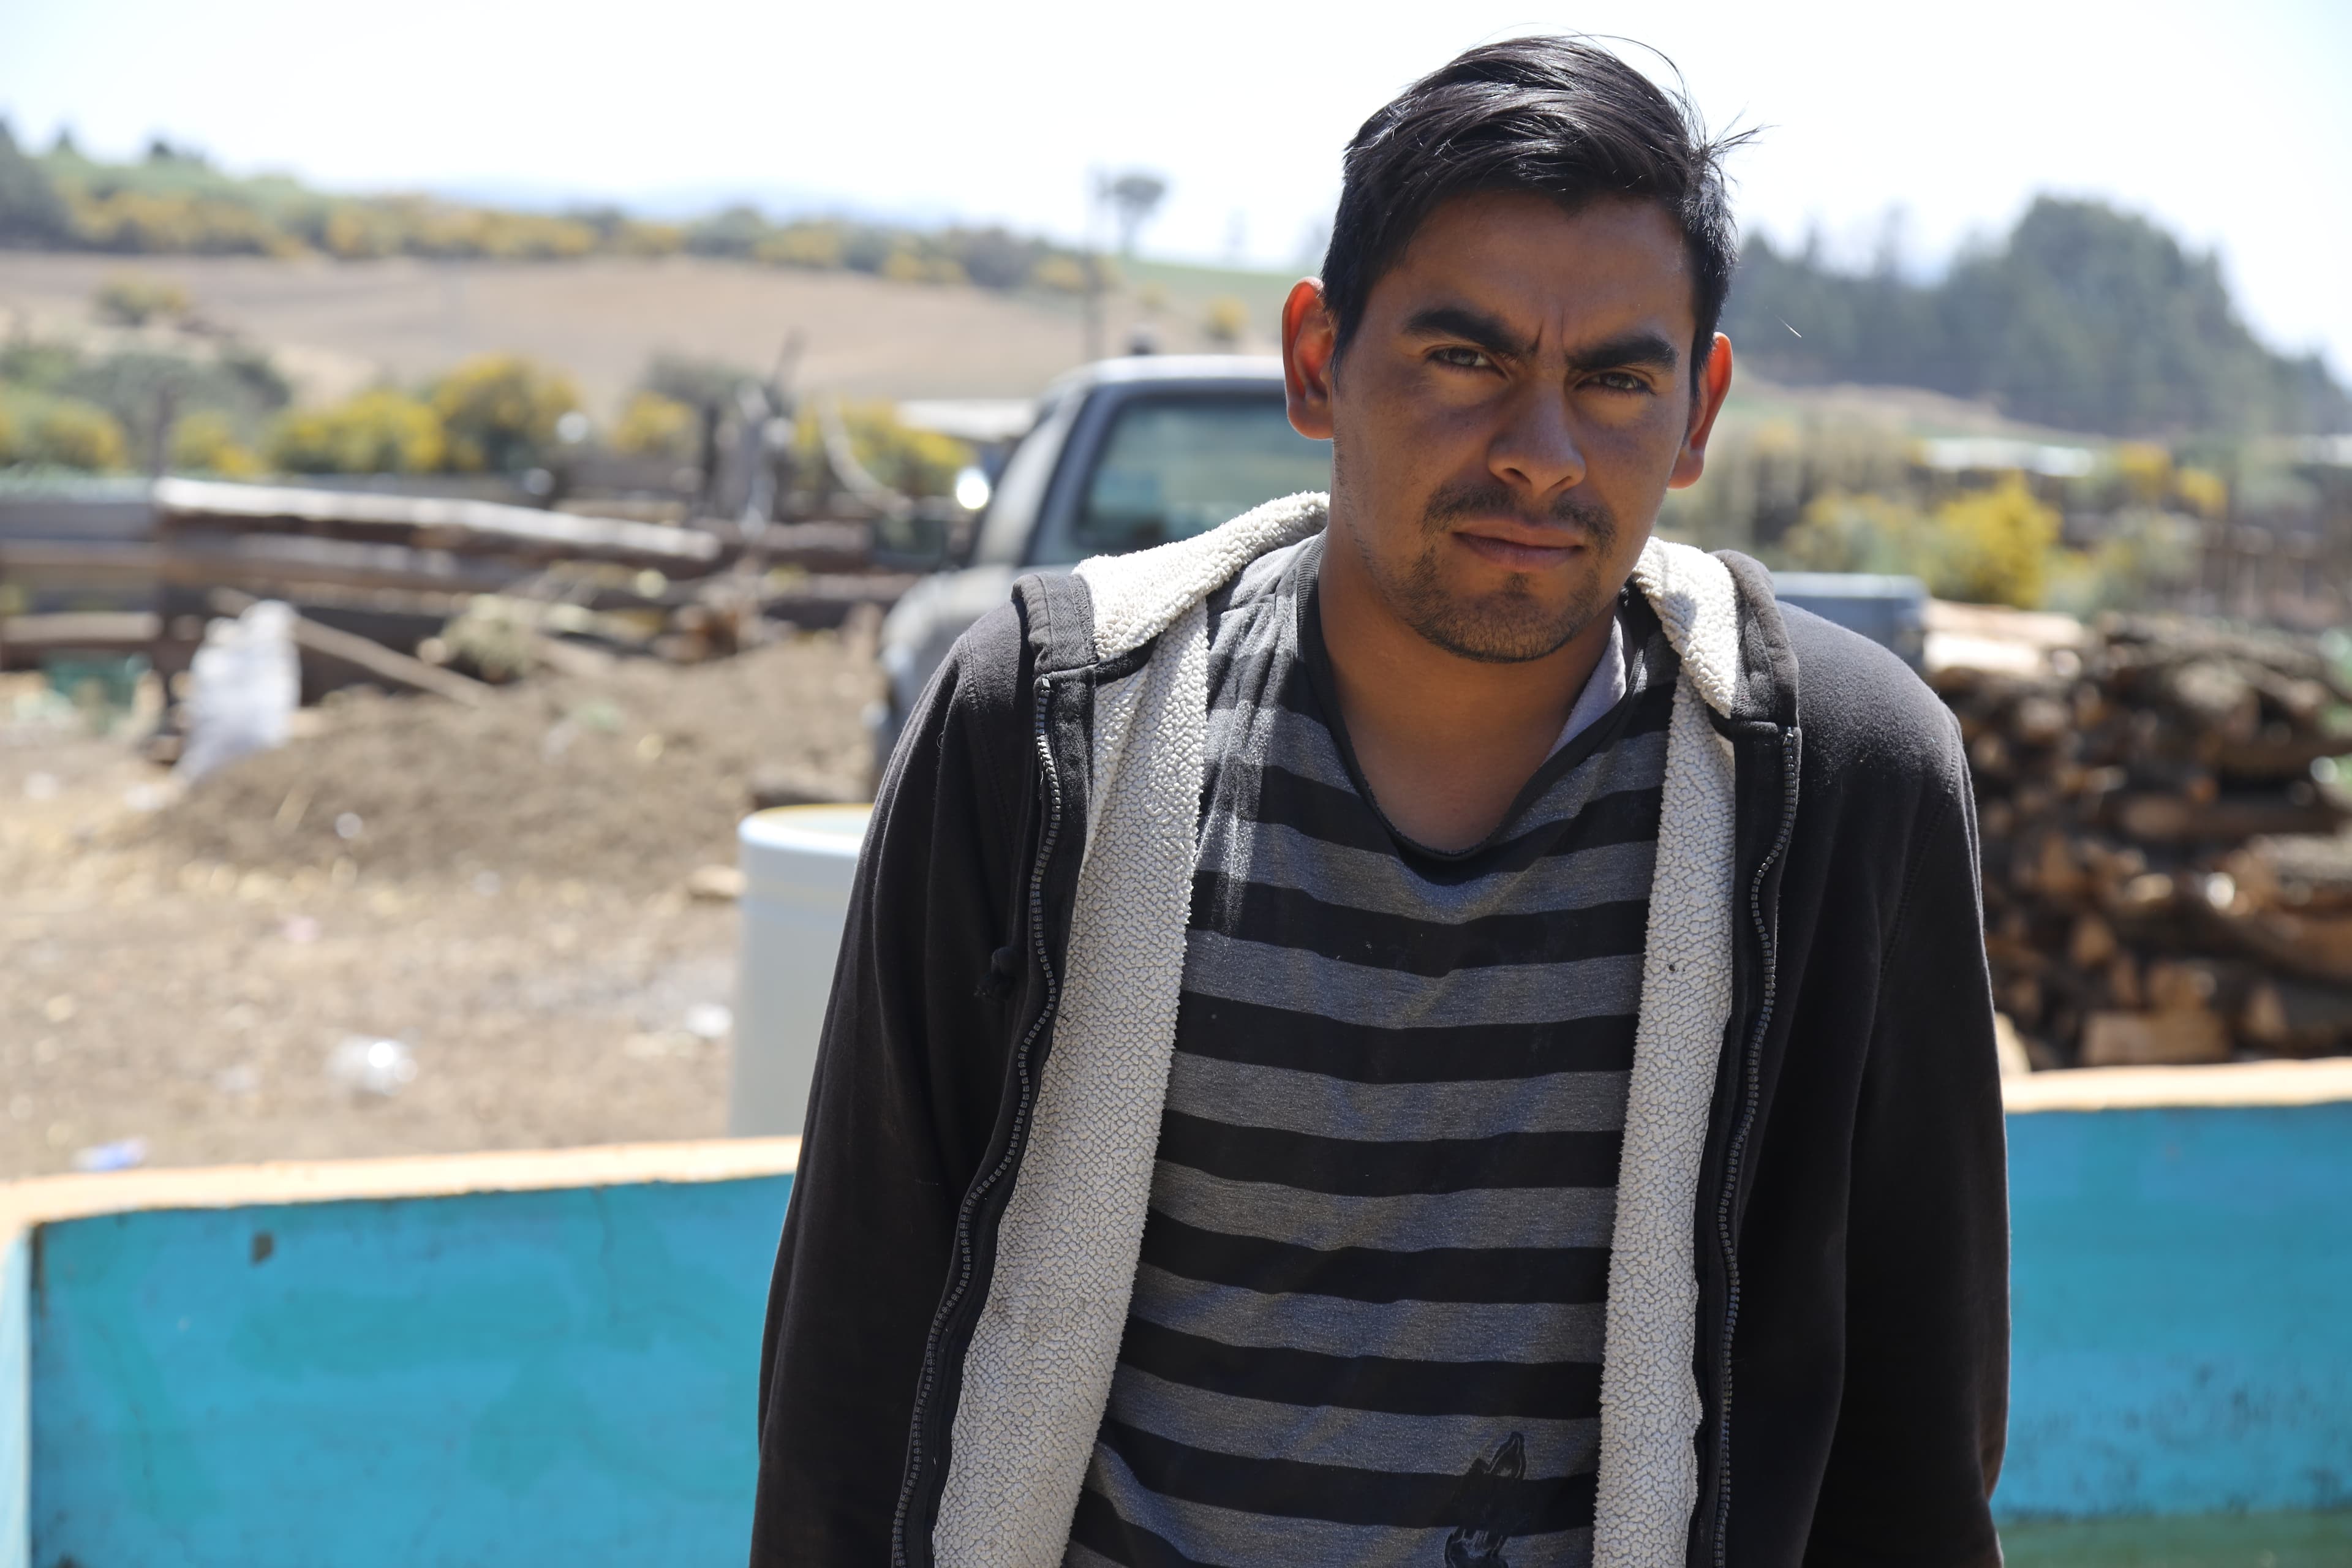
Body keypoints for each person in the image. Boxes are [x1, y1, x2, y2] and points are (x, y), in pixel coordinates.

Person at [753, 34, 2006, 1568]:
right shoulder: (1048, 728)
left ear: (1700, 412)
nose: (1540, 454)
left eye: (1616, 379)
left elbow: (1914, 1445)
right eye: (1466, 358)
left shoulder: (1838, 791)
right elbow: (853, 1366)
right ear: (1315, 360)